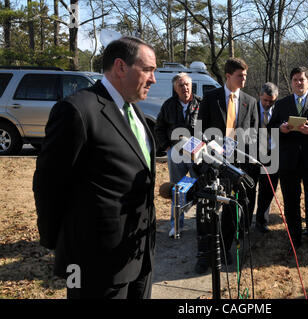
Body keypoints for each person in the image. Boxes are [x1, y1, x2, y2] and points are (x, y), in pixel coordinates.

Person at [33, 37, 157, 299]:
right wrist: (62, 245)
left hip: (138, 256)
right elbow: (49, 184)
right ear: (121, 67)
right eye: (148, 70)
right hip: (94, 262)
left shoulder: (135, 112)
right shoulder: (77, 110)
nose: (153, 79)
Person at [194, 57, 259, 274]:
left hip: (236, 166)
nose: (244, 79)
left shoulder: (250, 101)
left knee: (231, 209)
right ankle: (204, 254)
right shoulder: (211, 98)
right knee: (207, 211)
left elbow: (254, 135)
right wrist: (203, 161)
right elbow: (199, 131)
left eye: (245, 75)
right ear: (228, 76)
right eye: (240, 75)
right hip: (212, 164)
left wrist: (247, 164)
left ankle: (224, 248)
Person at [268, 66, 308, 256]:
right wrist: (281, 129)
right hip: (289, 162)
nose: (299, 83)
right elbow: (271, 127)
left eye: (302, 79)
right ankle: (294, 239)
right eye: (295, 80)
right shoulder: (281, 104)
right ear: (291, 82)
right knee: (290, 202)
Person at [155, 72, 201, 238]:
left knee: (202, 185)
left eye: (187, 84)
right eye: (181, 85)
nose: (185, 88)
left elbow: (209, 126)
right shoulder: (168, 105)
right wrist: (167, 147)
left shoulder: (200, 103)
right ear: (175, 89)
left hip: (197, 152)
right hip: (175, 152)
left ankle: (202, 223)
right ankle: (176, 226)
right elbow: (159, 128)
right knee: (178, 188)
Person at [254, 82, 279, 233]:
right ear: (260, 96)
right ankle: (245, 221)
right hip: (253, 154)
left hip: (273, 153)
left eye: (272, 101)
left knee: (268, 189)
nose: (268, 104)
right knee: (250, 188)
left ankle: (261, 220)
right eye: (265, 100)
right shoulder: (251, 107)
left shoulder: (279, 110)